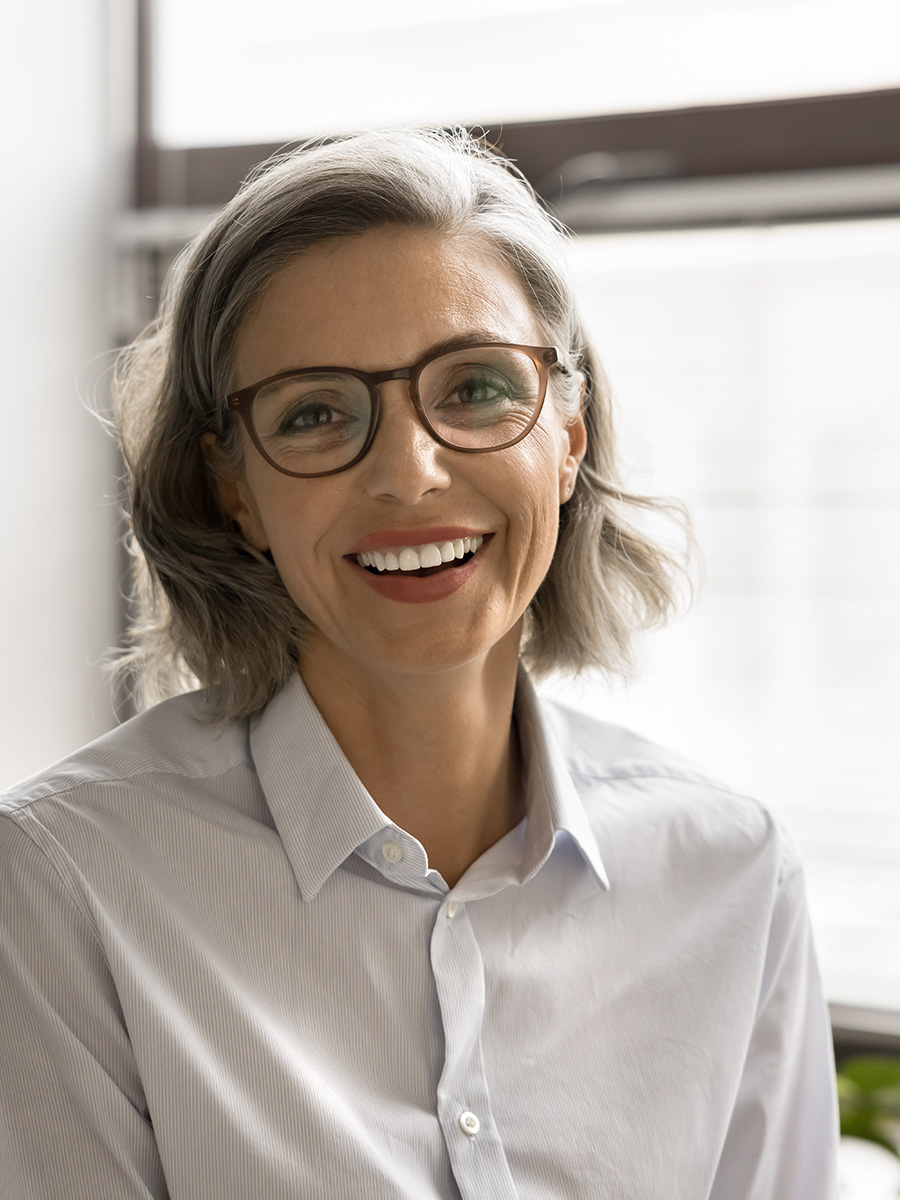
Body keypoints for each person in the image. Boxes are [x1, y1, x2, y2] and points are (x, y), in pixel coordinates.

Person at [0, 127, 838, 1199]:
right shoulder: (64, 882)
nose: (409, 472)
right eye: (313, 413)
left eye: (478, 388)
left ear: (569, 431)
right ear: (234, 488)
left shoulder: (731, 872)